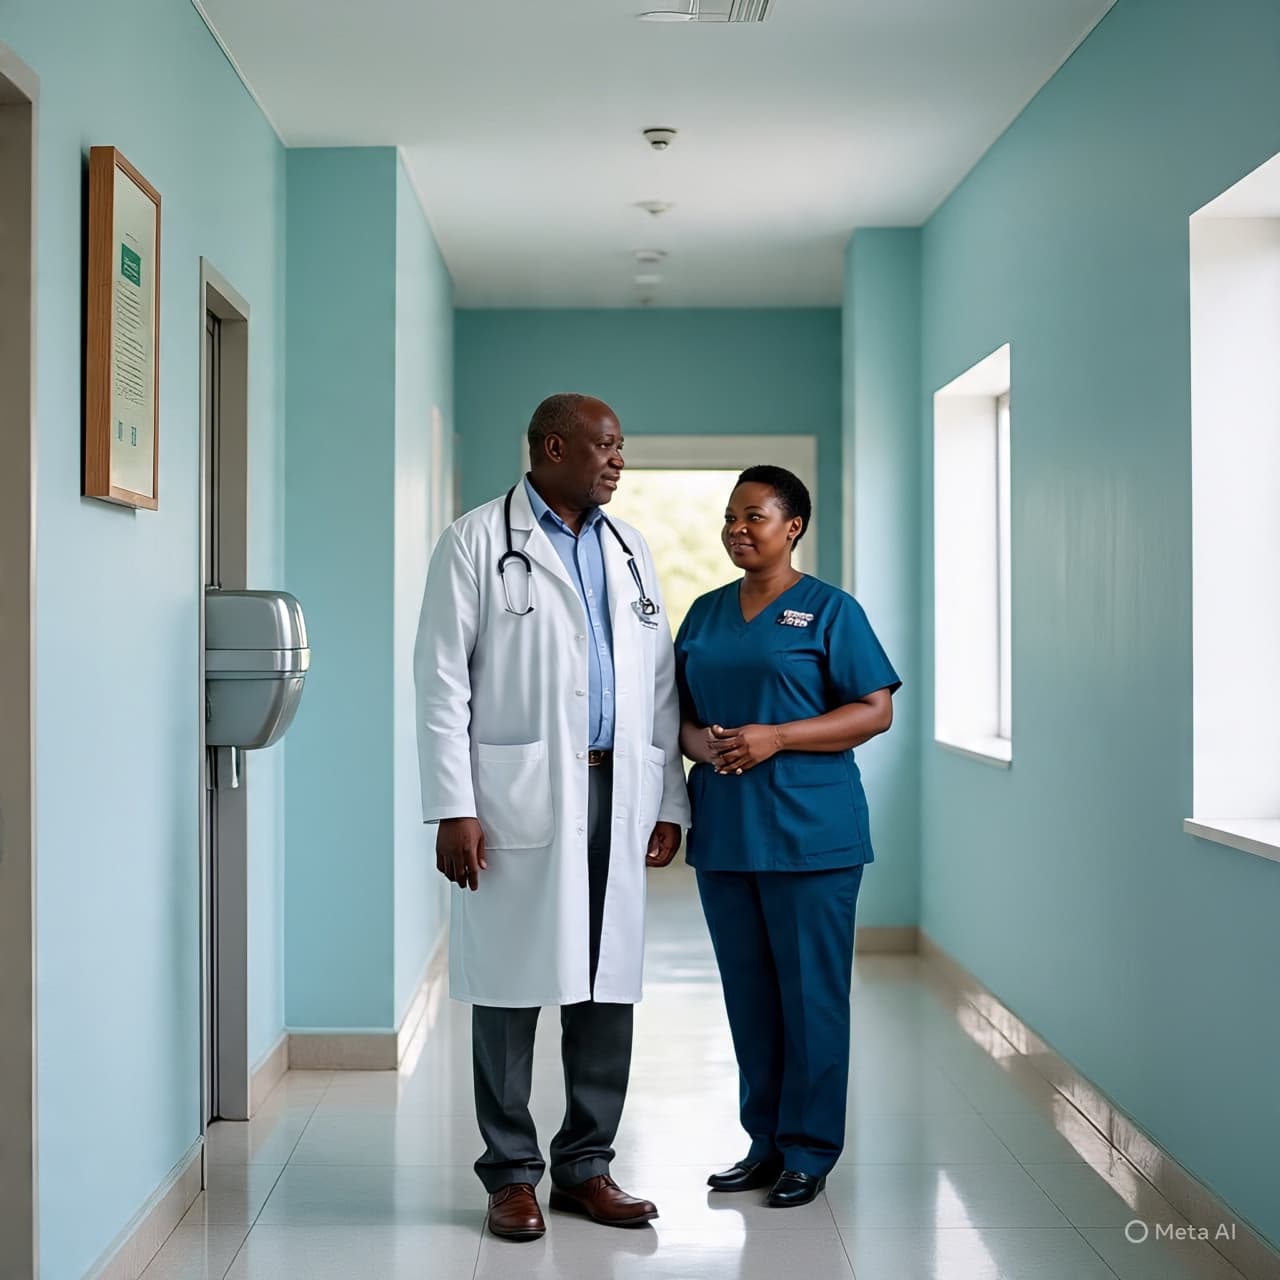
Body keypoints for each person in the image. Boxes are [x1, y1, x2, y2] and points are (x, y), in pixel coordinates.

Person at [414, 393, 689, 1242]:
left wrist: (668, 794)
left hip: (621, 785)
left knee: (607, 983)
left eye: (620, 445)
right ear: (552, 446)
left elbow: (658, 686)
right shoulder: (475, 541)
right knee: (506, 985)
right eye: (604, 445)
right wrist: (453, 805)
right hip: (514, 796)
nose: (617, 460)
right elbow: (441, 683)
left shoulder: (631, 548)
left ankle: (586, 1165)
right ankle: (510, 1176)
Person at [674, 465, 900, 1208]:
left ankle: (809, 1149)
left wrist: (780, 737)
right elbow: (670, 713)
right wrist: (699, 747)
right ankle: (763, 1142)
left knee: (812, 997)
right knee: (750, 996)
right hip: (728, 830)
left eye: (755, 517)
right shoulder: (704, 615)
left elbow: (873, 711)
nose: (738, 529)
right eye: (731, 518)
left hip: (812, 835)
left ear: (792, 525)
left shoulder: (831, 610)